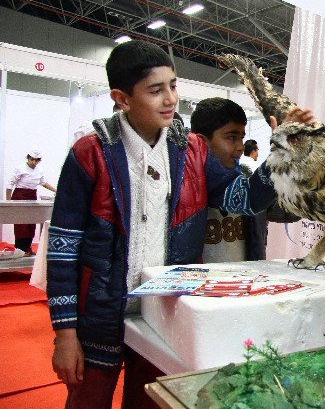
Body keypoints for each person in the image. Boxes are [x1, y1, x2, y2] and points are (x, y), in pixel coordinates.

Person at [46, 40, 278, 408]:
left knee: (151, 404)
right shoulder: (90, 153)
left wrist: (281, 152)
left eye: (173, 85)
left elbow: (243, 200)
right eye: (156, 90)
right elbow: (62, 250)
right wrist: (65, 332)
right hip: (100, 314)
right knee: (87, 401)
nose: (170, 99)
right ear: (122, 98)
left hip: (165, 313)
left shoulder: (192, 150)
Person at [190, 99, 316, 262]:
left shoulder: (248, 178)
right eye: (231, 137)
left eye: (241, 137)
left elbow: (288, 211)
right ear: (201, 142)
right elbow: (251, 197)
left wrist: (304, 161)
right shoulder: (185, 185)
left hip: (245, 281)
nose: (240, 147)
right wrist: (282, 149)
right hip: (200, 284)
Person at [5, 147, 57, 256]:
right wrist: (8, 202)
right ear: (28, 158)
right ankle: (20, 249)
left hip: (32, 196)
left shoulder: (39, 170)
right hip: (20, 195)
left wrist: (57, 190)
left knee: (31, 224)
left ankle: (27, 248)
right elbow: (10, 185)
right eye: (32, 159)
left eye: (36, 160)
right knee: (21, 225)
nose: (34, 162)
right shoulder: (20, 168)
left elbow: (43, 183)